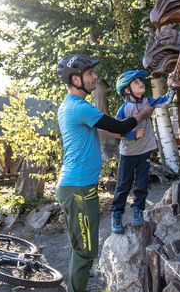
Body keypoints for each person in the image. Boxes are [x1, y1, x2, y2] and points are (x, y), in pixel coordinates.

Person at [56, 55, 153, 292]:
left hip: (76, 187)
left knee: (81, 248)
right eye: (90, 74)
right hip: (79, 189)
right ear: (75, 79)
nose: (94, 77)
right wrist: (142, 114)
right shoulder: (79, 108)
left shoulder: (69, 105)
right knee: (86, 250)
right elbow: (119, 126)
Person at [111, 70, 175, 233]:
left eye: (141, 80)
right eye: (136, 82)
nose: (141, 83)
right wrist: (132, 135)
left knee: (142, 183)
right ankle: (116, 214)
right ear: (127, 90)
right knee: (123, 185)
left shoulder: (148, 101)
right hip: (128, 154)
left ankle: (138, 211)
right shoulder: (124, 109)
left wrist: (172, 87)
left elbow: (165, 101)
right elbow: (115, 130)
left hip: (145, 151)